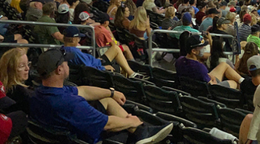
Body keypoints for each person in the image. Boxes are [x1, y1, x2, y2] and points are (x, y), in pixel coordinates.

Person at [29, 48, 173, 144]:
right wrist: (132, 121)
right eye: (66, 63)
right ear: (59, 70)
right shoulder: (71, 104)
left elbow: (83, 91)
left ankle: (142, 131)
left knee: (105, 99)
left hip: (65, 131)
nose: (68, 65)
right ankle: (140, 130)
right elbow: (107, 124)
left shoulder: (40, 92)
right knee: (126, 131)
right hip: (88, 138)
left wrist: (111, 92)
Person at [175, 31, 242, 88]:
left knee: (223, 65)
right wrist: (212, 81)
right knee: (234, 83)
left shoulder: (179, 61)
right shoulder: (199, 67)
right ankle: (244, 85)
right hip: (208, 91)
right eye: (201, 47)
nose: (204, 48)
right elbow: (211, 87)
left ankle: (242, 81)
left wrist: (208, 76)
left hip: (192, 88)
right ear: (194, 51)